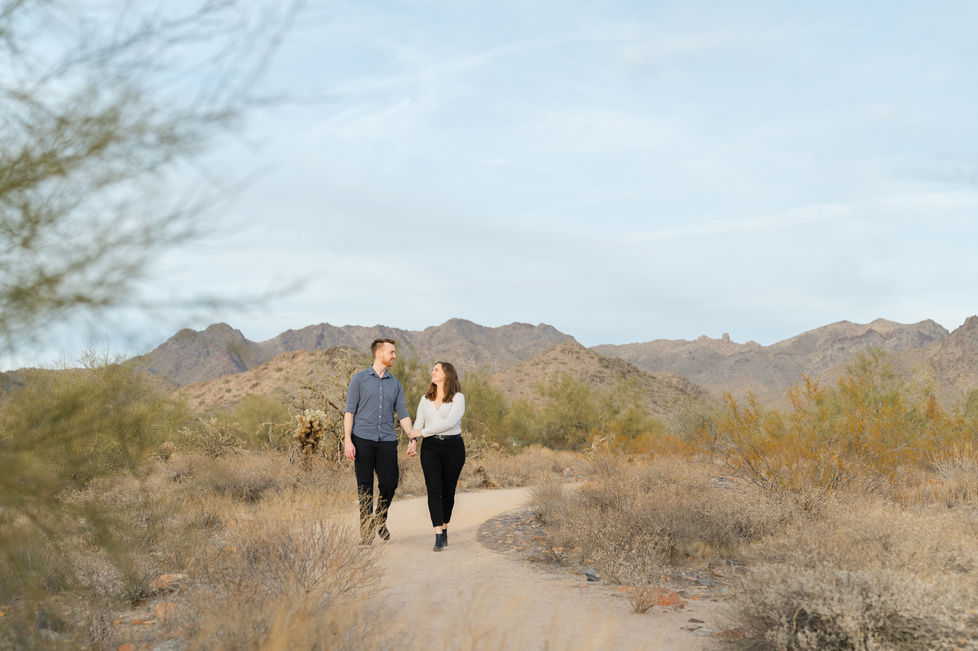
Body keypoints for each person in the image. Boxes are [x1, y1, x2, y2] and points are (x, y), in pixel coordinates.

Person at [344, 338, 415, 545]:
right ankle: (366, 535)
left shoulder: (395, 383)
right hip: (362, 439)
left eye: (394, 352)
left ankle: (380, 519)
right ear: (378, 354)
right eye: (391, 352)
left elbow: (402, 414)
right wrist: (348, 440)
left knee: (390, 482)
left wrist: (412, 436)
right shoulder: (359, 379)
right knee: (364, 487)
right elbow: (349, 411)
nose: (394, 355)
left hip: (387, 440)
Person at [408, 361, 465, 552]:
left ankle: (445, 524)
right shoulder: (425, 399)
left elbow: (450, 422)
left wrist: (422, 433)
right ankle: (438, 534)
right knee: (434, 489)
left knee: (448, 491)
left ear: (447, 374)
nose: (432, 371)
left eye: (436, 369)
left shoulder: (458, 398)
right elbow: (418, 423)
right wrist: (413, 443)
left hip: (453, 447)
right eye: (432, 368)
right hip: (431, 448)